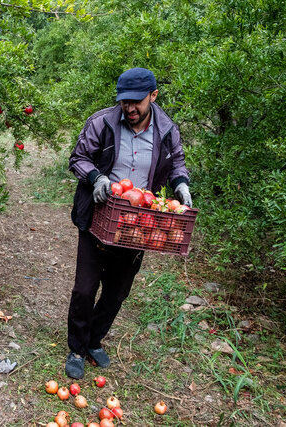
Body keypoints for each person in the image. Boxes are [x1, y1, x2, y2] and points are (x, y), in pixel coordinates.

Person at [64, 67, 192, 379]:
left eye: (137, 102)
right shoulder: (102, 122)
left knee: (117, 291)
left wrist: (182, 185)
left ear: (154, 95)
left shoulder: (166, 130)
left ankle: (94, 340)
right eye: (124, 102)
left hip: (139, 224)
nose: (130, 108)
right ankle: (77, 348)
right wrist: (96, 178)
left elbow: (176, 162)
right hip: (100, 215)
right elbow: (78, 158)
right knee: (84, 288)